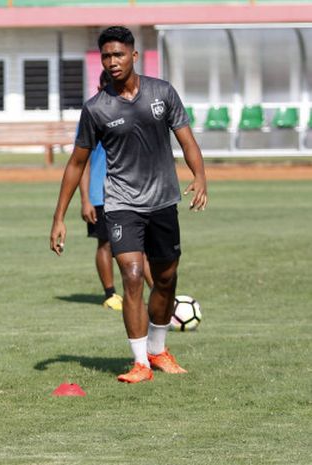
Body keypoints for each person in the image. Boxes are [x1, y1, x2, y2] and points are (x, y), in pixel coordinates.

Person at [50, 26, 207, 384]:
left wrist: (200, 175)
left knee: (166, 279)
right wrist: (59, 216)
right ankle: (139, 363)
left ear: (134, 56)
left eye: (118, 54)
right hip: (121, 203)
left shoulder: (162, 93)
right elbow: (76, 163)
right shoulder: (96, 109)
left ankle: (158, 349)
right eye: (106, 56)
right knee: (133, 276)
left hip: (164, 201)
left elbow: (186, 139)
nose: (112, 61)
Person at [78, 70, 153, 311]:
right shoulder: (93, 113)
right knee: (105, 244)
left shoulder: (131, 110)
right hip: (100, 193)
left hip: (131, 192)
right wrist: (85, 200)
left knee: (141, 246)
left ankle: (159, 293)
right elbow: (82, 163)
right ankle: (110, 294)